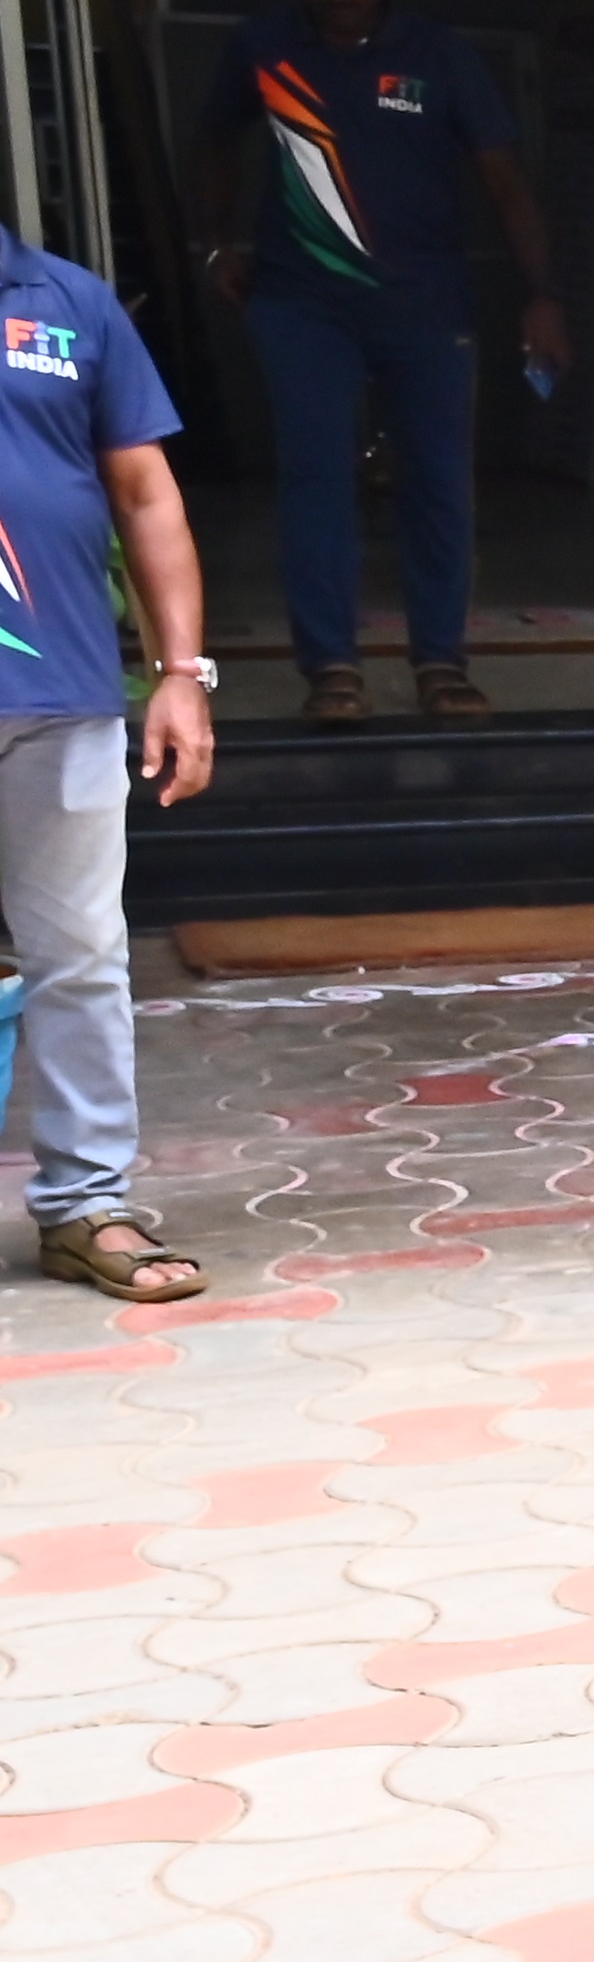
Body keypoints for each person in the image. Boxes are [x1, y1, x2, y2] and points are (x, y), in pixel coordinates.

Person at [190, 0, 566, 725]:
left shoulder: (442, 58)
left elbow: (505, 181)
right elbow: (216, 138)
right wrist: (218, 244)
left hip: (425, 305)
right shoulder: (263, 48)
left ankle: (441, 662)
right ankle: (331, 669)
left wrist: (542, 294)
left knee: (438, 486)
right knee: (315, 482)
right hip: (301, 305)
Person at [0, 227, 218, 1302]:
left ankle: (87, 1205)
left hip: (62, 690)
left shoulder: (69, 302)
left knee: (81, 954)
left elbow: (145, 491)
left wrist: (183, 672)